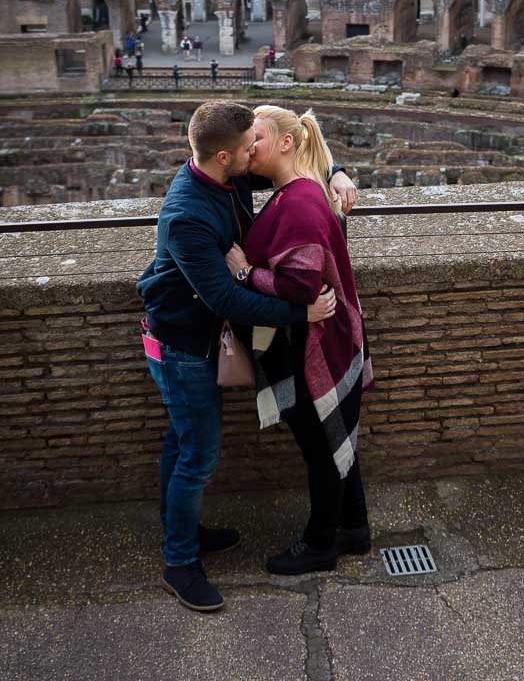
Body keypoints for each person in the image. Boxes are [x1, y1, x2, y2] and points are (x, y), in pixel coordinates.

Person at [137, 101, 357, 611]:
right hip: (182, 344)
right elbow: (225, 298)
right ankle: (180, 563)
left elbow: (288, 151)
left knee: (182, 442)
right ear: (222, 155)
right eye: (245, 149)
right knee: (197, 455)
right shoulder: (186, 215)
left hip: (197, 336)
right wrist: (303, 315)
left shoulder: (225, 175)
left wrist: (336, 169)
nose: (252, 154)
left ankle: (184, 530)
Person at [224, 105, 373, 576]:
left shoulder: (302, 202)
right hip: (322, 341)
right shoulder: (293, 190)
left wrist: (245, 272)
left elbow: (299, 287)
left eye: (257, 140)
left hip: (317, 347)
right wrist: (337, 169)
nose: (250, 149)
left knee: (320, 447)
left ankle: (320, 545)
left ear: (286, 143)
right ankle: (355, 527)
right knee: (334, 437)